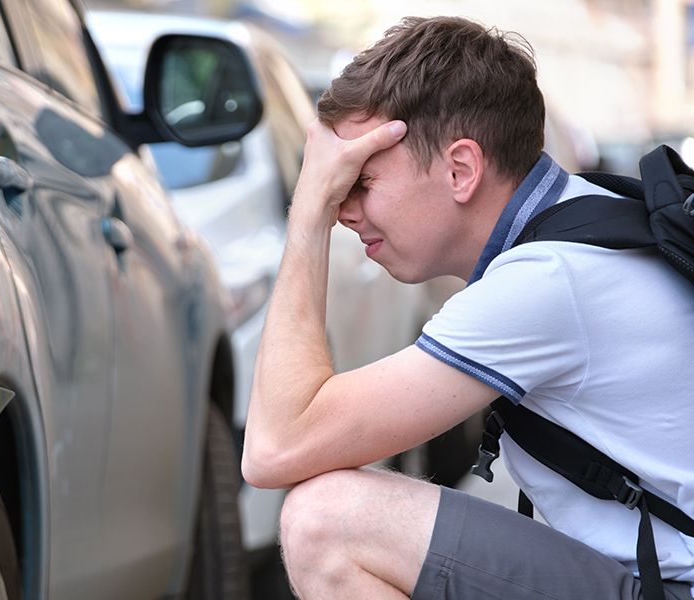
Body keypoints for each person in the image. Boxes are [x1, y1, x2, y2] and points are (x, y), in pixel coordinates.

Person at [241, 15, 694, 600]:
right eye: (333, 187)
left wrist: (304, 215)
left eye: (360, 181)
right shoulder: (586, 218)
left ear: (461, 170)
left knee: (326, 522)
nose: (341, 210)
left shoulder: (545, 282)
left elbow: (276, 448)